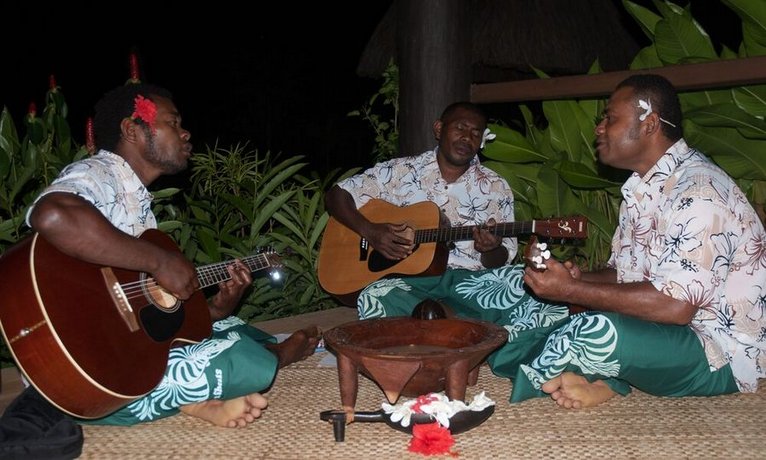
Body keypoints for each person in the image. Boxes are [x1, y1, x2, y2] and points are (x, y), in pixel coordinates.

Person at [23, 83, 320, 427]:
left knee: (235, 327)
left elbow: (150, 324)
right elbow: (53, 215)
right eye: (173, 122)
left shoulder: (139, 206)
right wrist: (160, 261)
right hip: (81, 366)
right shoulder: (99, 173)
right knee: (242, 358)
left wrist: (217, 308)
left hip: (123, 349)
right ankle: (272, 359)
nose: (185, 132)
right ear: (131, 130)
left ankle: (189, 395)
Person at [513, 73, 766, 408]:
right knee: (527, 300)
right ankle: (607, 379)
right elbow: (623, 275)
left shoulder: (700, 192)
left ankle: (579, 373)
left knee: (594, 331)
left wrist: (571, 291)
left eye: (610, 118)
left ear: (650, 124)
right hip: (663, 329)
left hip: (719, 352)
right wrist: (576, 278)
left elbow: (675, 307)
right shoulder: (641, 189)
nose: (599, 128)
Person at [325, 102, 572, 372]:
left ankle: (439, 328)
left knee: (526, 283)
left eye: (475, 133)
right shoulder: (399, 171)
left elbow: (499, 260)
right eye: (460, 128)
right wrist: (371, 232)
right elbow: (337, 196)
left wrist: (490, 248)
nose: (467, 137)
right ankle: (465, 334)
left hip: (470, 284)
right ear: (439, 129)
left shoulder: (495, 186)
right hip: (410, 284)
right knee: (375, 295)